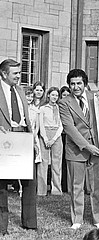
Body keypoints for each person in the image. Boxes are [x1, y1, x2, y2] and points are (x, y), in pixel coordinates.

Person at [59, 69, 99, 229]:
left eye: (79, 83)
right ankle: (77, 219)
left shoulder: (96, 98)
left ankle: (98, 218)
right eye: (72, 84)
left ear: (85, 83)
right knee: (76, 186)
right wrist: (87, 146)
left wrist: (96, 145)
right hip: (76, 149)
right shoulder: (64, 102)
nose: (76, 87)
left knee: (96, 186)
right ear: (68, 85)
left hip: (97, 148)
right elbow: (69, 128)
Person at [0, 59, 37, 235]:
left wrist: (32, 139)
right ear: (4, 74)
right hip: (4, 139)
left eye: (19, 72)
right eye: (15, 73)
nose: (18, 76)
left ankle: (29, 223)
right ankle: (1, 226)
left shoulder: (20, 90)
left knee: (30, 180)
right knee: (1, 184)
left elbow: (26, 117)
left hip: (23, 136)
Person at [38, 87, 63, 196]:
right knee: (43, 163)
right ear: (48, 95)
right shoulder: (43, 108)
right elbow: (41, 125)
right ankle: (41, 190)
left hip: (56, 135)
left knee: (56, 164)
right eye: (53, 95)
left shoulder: (60, 108)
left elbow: (61, 126)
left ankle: (56, 190)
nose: (54, 97)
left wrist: (53, 139)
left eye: (56, 96)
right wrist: (45, 138)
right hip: (45, 134)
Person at [59, 86, 71, 193]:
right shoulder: (60, 106)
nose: (66, 97)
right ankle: (63, 186)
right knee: (62, 162)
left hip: (70, 136)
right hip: (61, 135)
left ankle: (68, 186)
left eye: (68, 95)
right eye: (64, 95)